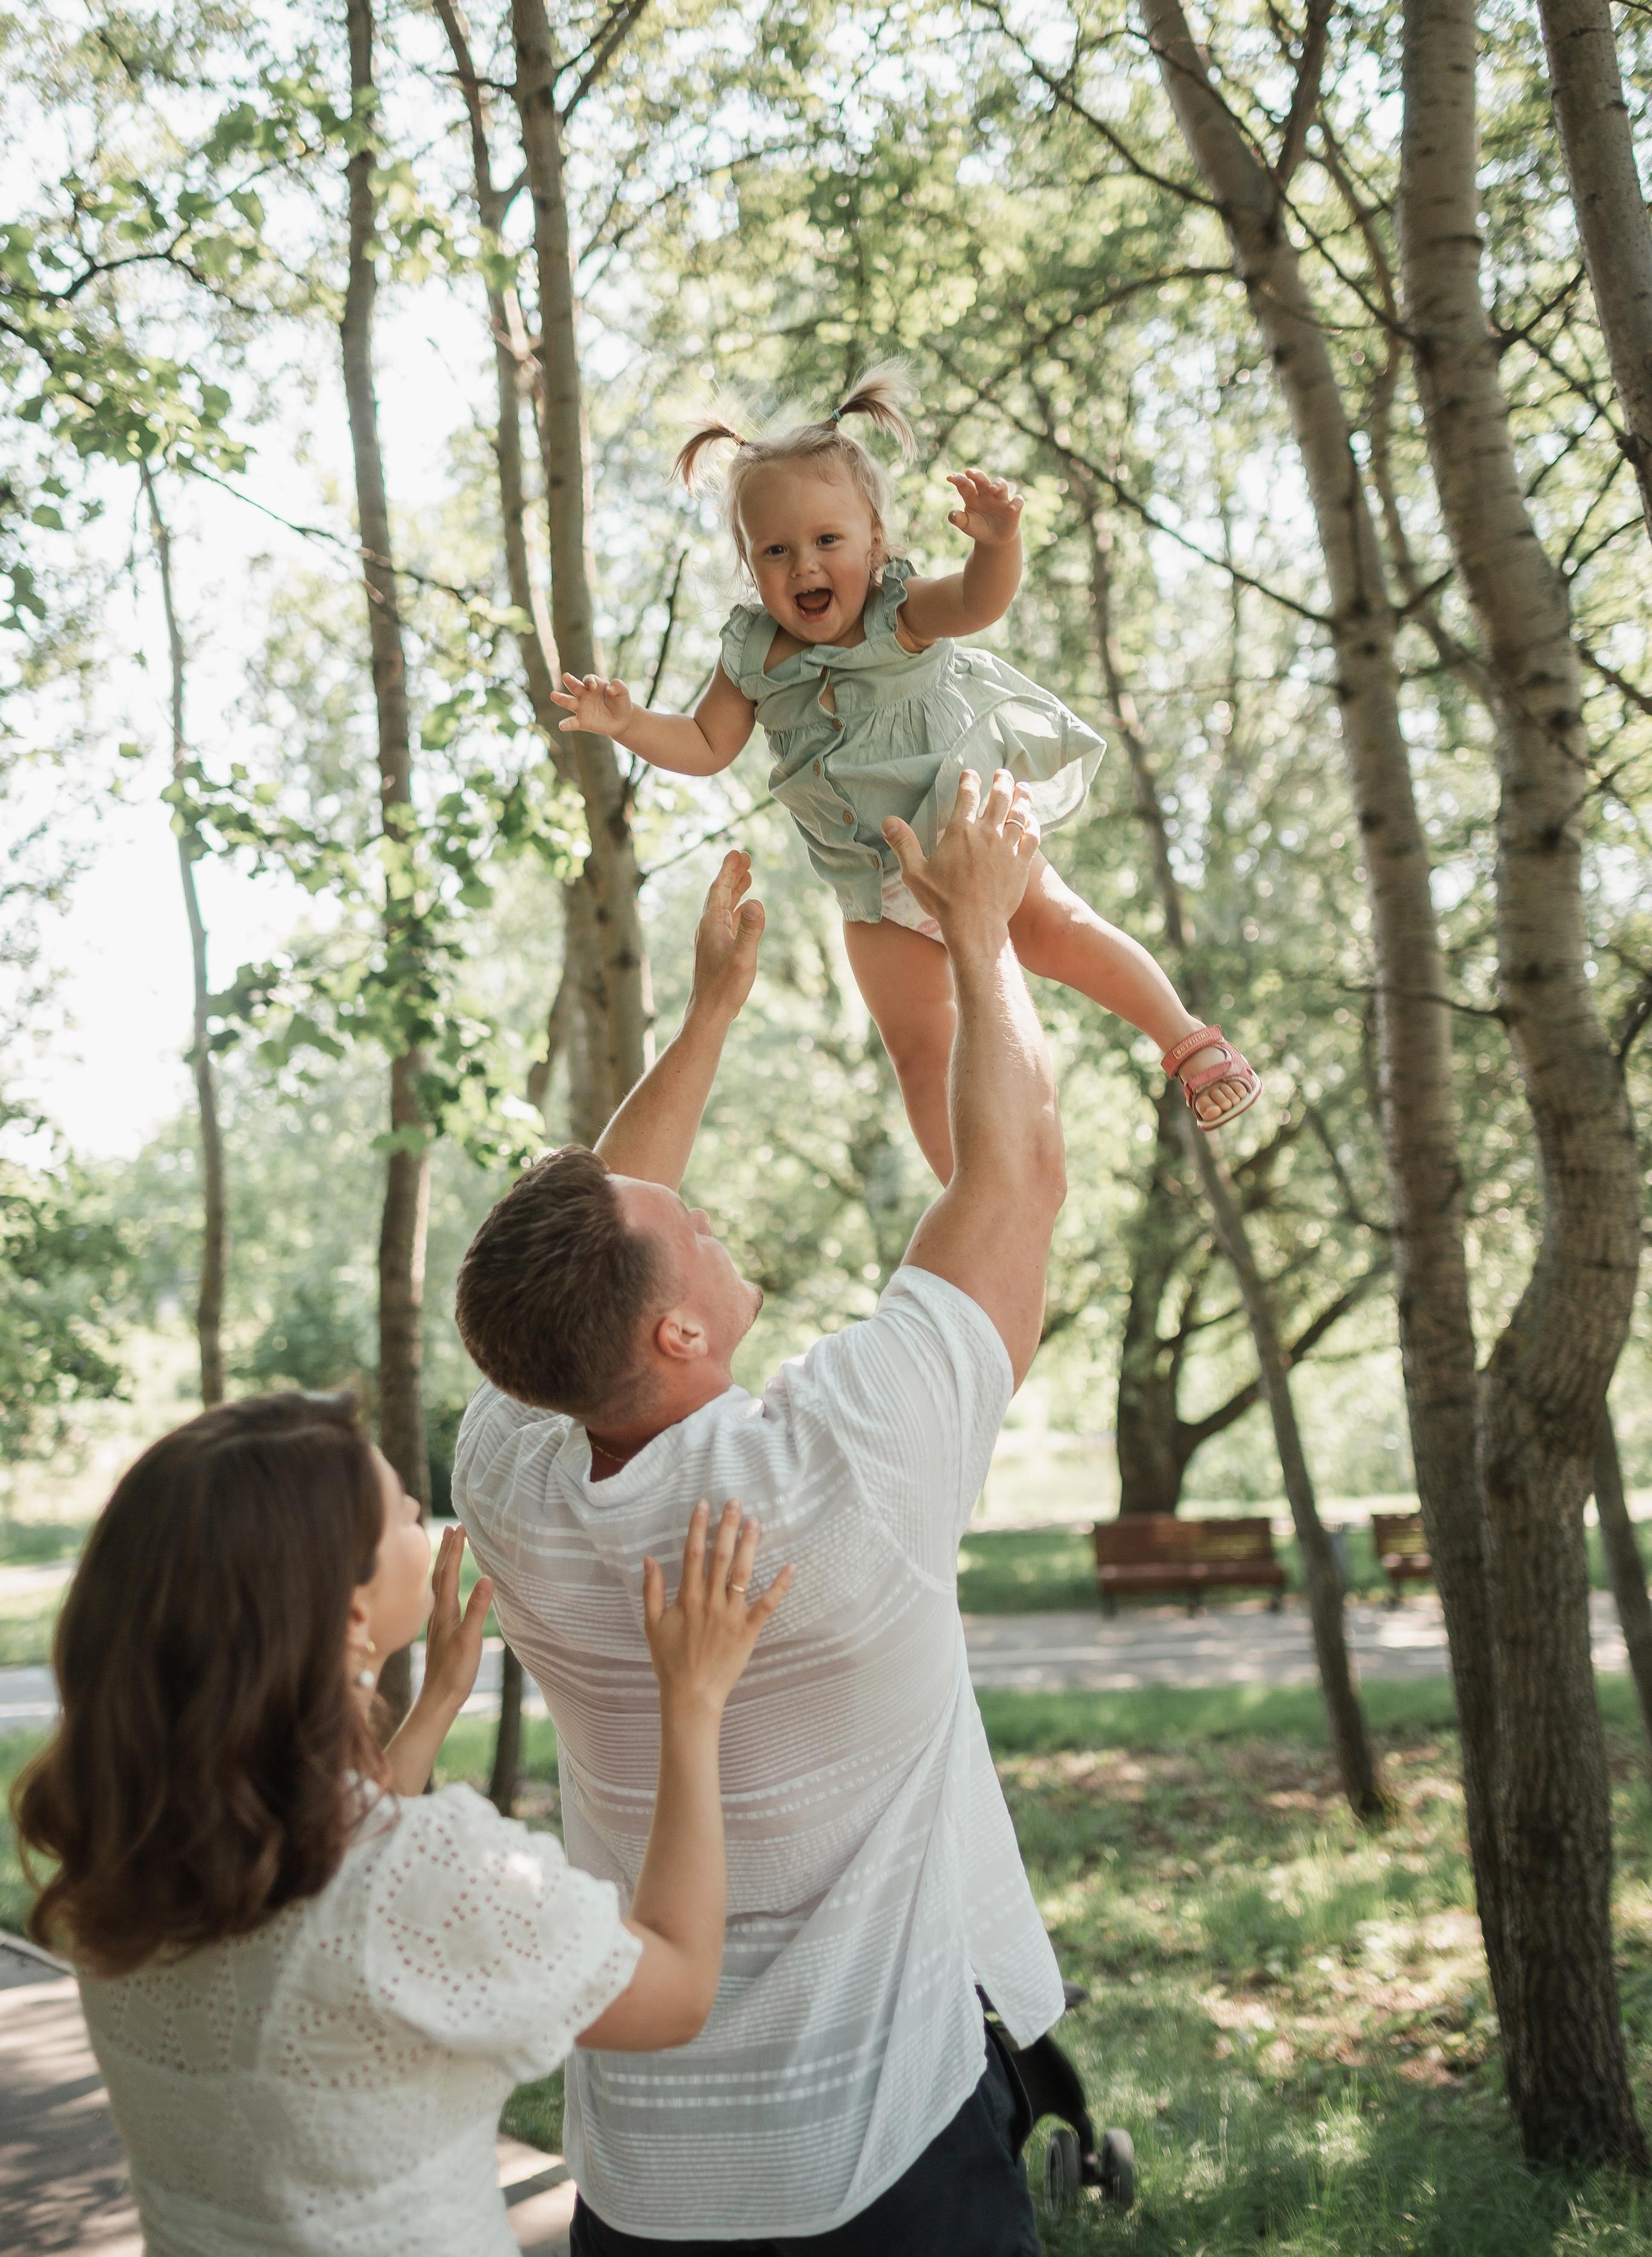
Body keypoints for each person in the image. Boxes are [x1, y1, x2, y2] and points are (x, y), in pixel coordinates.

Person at [450, 780, 1068, 2254]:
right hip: (887, 2148)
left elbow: (612, 1214)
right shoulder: (841, 1463)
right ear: (669, 1336)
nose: (704, 1209)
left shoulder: (510, 1472)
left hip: (648, 2173)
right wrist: (979, 934)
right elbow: (1016, 1177)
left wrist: (707, 1018)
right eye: (694, 1230)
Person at [11, 1389, 790, 2257]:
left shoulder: (130, 1843)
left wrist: (430, 1707)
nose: (426, 1514)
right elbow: (678, 1989)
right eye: (404, 1512)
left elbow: (328, 1887)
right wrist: (691, 1702)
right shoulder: (427, 1876)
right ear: (349, 1614)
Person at [551, 359, 1258, 1180]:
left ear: (874, 542)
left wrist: (999, 543)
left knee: (1056, 931)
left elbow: (978, 602)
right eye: (774, 551)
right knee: (921, 1054)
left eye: (827, 542)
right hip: (873, 892)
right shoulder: (751, 654)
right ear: (750, 566)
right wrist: (629, 723)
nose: (803, 566)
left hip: (969, 846)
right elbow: (707, 748)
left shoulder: (900, 612)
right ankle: (973, 1191)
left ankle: (1187, 1040)